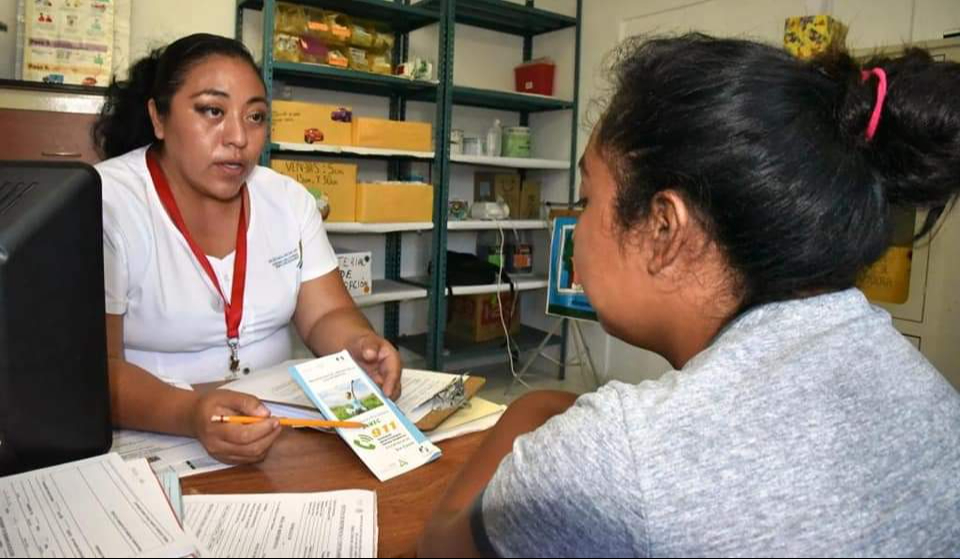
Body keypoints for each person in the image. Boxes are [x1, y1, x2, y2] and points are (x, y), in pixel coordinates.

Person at [419, 33, 960, 557]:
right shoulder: (931, 392)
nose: (575, 228)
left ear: (664, 229)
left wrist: (531, 408)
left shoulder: (621, 458)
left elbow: (441, 547)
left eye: (586, 198)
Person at [93, 33, 402, 465]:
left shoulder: (288, 201)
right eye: (212, 111)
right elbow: (90, 371)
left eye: (255, 117)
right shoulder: (105, 203)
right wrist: (189, 413)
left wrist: (358, 345)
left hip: (275, 429)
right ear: (158, 118)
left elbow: (326, 315)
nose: (238, 137)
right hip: (156, 439)